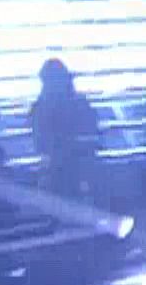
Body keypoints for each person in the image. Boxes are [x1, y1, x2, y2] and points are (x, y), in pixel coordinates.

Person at [29, 58, 103, 203]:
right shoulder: (79, 103)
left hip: (73, 167)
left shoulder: (40, 107)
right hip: (70, 167)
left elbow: (39, 144)